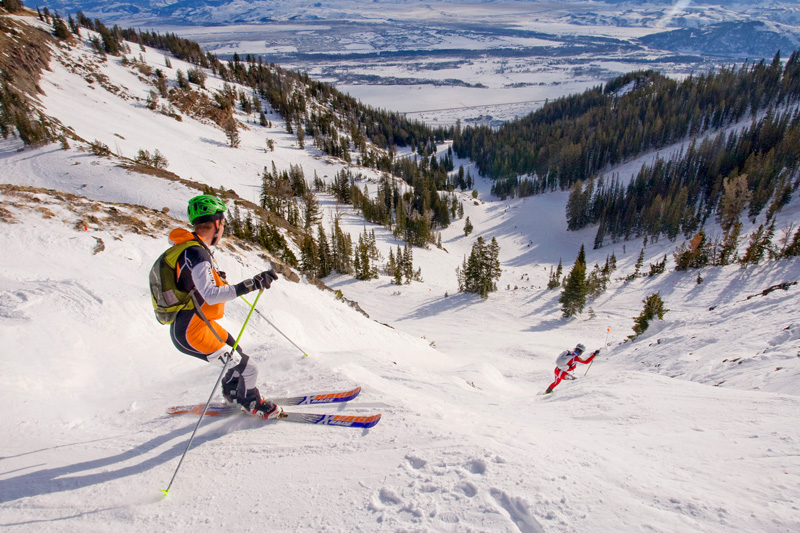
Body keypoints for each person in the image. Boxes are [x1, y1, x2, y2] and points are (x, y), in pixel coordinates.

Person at [167, 194, 281, 418]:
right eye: (223, 224)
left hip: (197, 324)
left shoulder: (192, 249)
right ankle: (252, 402)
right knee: (249, 368)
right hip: (192, 331)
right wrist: (250, 285)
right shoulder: (196, 253)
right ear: (217, 223)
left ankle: (232, 392)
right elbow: (210, 295)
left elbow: (196, 285)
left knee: (236, 353)